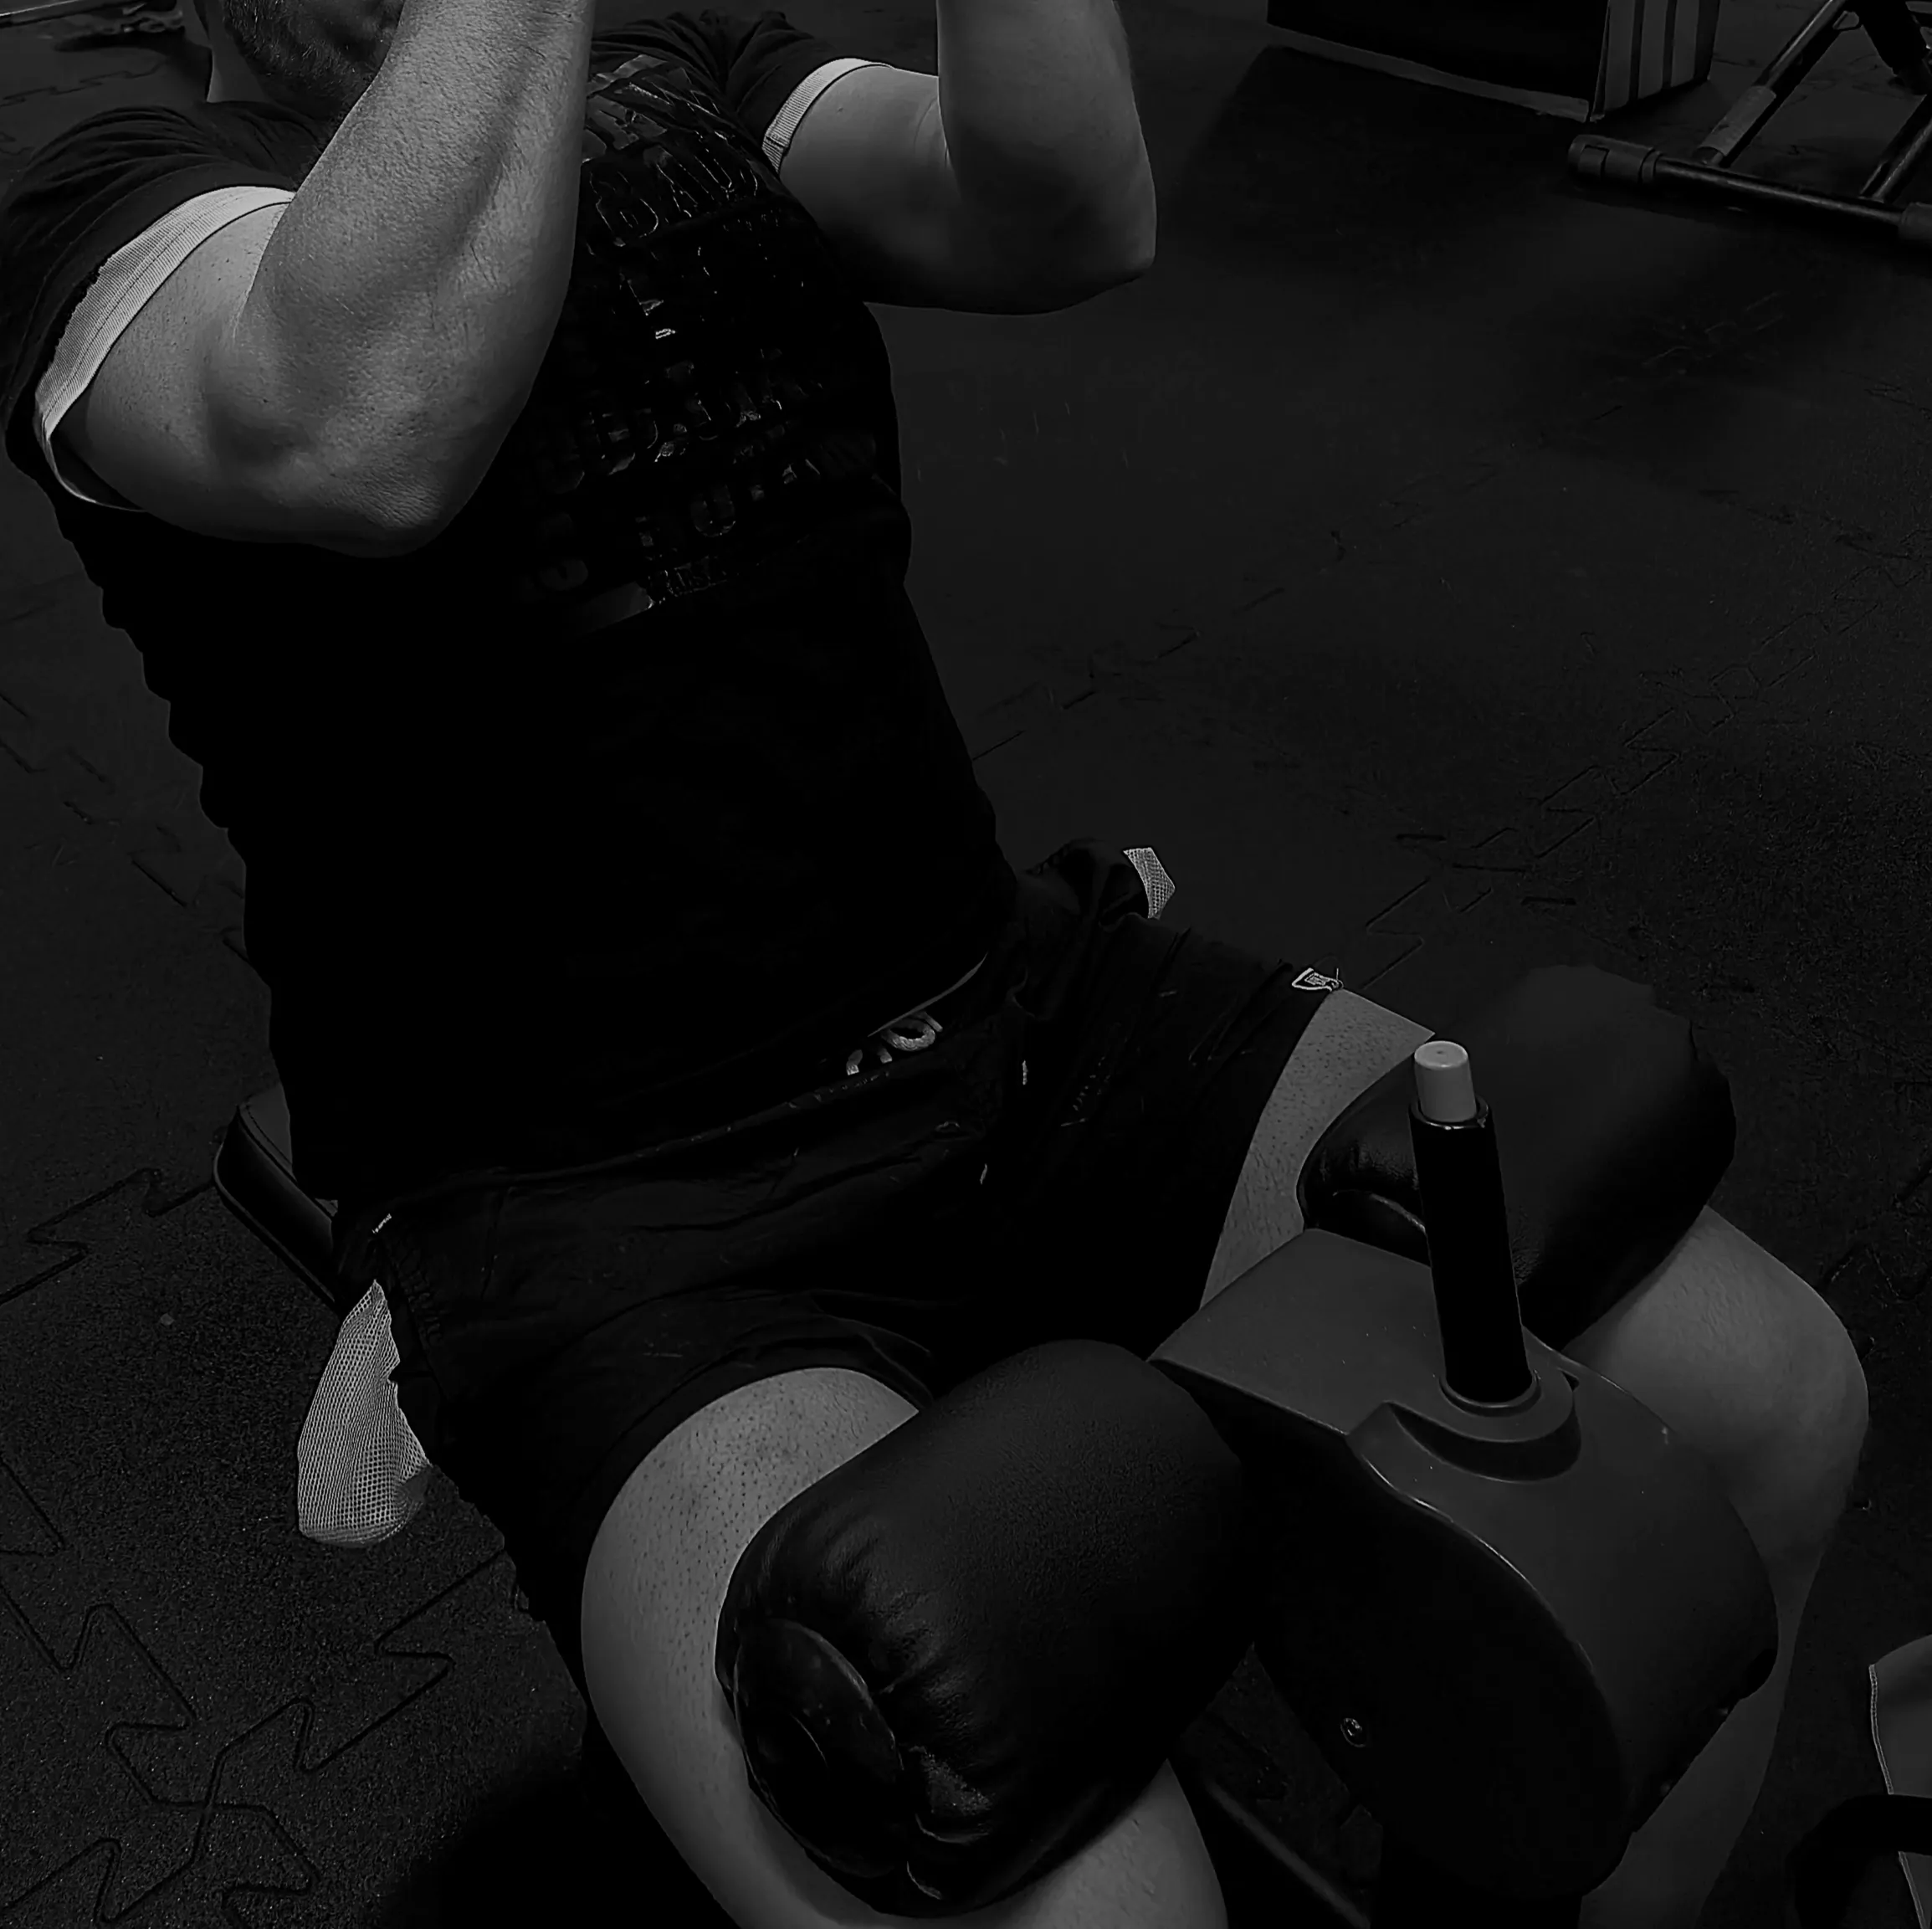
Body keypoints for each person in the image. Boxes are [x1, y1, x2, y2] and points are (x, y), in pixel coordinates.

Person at [0, 8, 1870, 1928]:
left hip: (1007, 1009)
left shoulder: (651, 49)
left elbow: (1053, 213)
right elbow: (354, 422)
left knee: (1759, 1399)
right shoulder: (69, 120)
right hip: (615, 1208)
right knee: (1096, 1915)